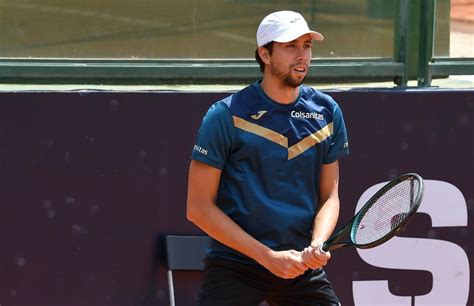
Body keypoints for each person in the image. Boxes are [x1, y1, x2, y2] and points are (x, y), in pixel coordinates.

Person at [186, 10, 349, 306]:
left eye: (307, 46)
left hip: (299, 265)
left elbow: (330, 196)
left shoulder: (327, 112)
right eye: (290, 47)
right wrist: (268, 257)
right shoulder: (225, 116)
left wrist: (317, 243)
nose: (302, 56)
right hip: (237, 265)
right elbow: (198, 208)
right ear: (265, 54)